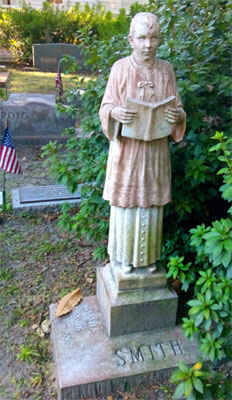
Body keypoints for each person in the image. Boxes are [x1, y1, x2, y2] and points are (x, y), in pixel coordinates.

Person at [99, 12, 186, 274]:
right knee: (128, 202)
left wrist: (178, 116)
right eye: (142, 38)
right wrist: (115, 113)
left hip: (156, 151)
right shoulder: (120, 68)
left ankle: (147, 260)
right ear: (130, 40)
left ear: (159, 40)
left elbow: (178, 108)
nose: (147, 44)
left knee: (151, 203)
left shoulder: (166, 70)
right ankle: (123, 258)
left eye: (153, 38)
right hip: (128, 151)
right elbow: (106, 106)